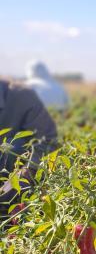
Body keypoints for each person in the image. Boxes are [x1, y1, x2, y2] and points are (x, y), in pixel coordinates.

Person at [0, 80, 58, 216]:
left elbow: (48, 141)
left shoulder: (22, 96)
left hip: (15, 175)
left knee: (11, 146)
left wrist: (23, 176)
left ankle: (12, 206)